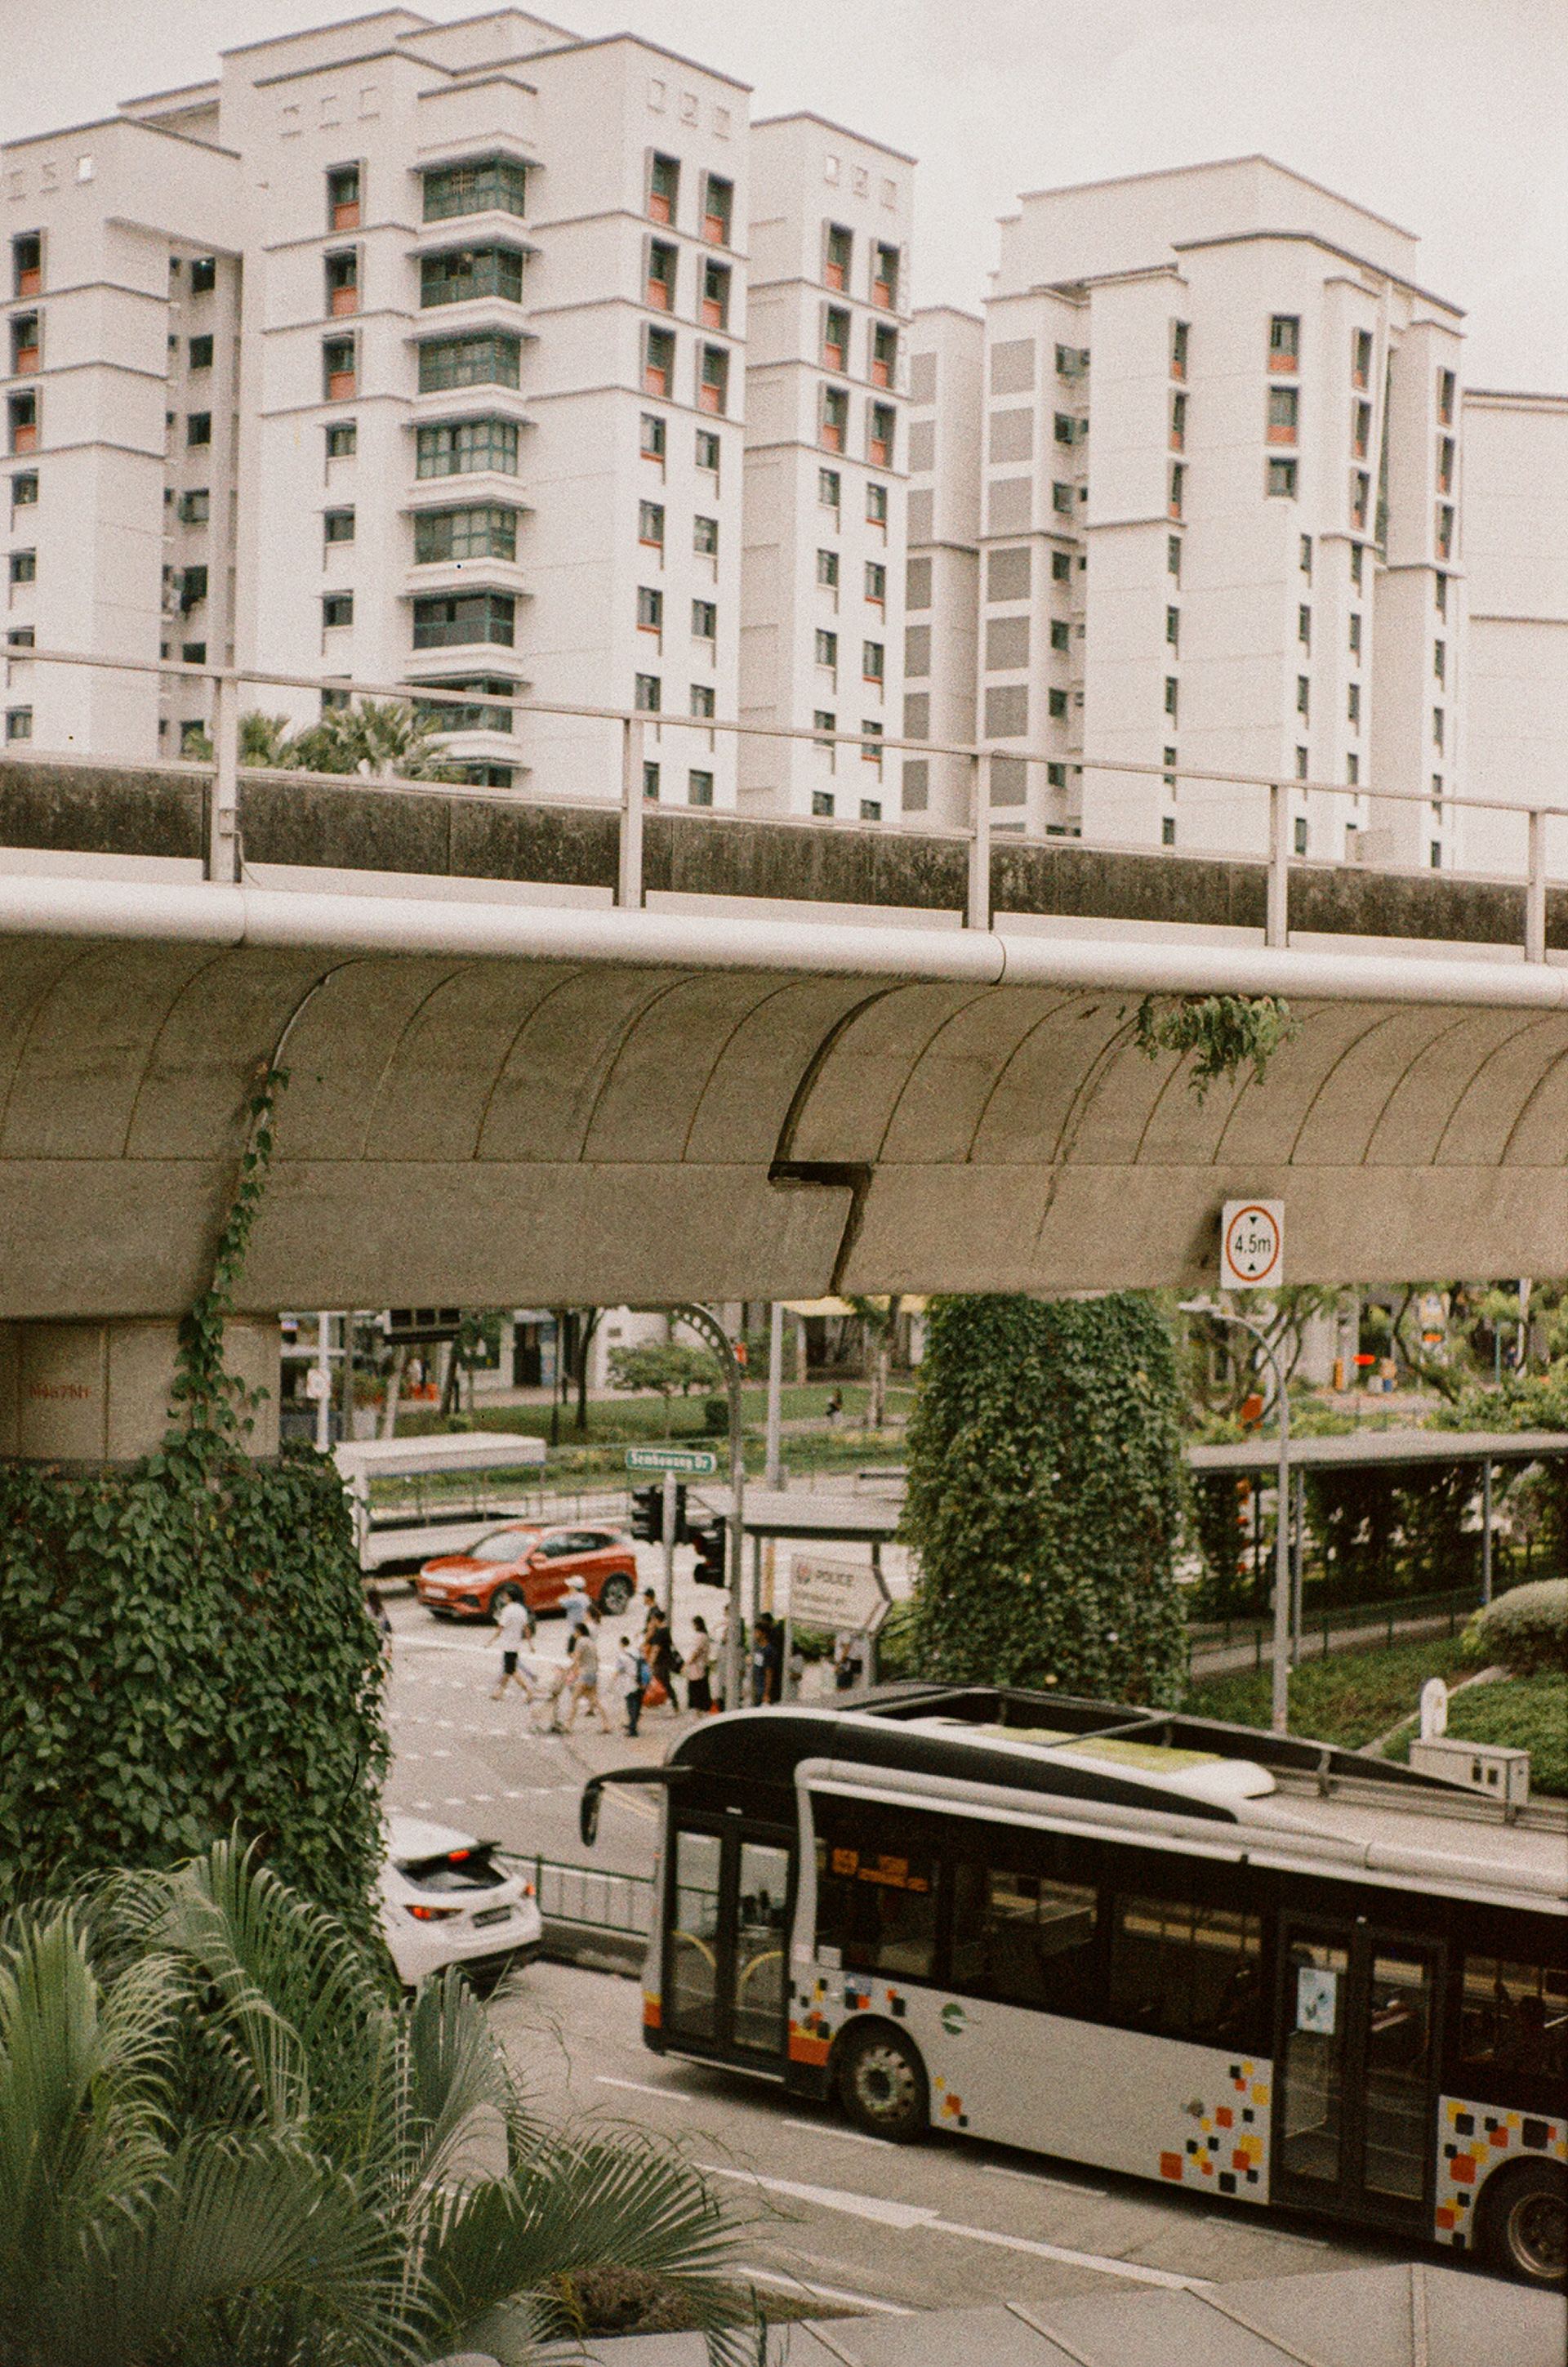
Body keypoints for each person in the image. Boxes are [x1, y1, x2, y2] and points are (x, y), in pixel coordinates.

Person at [562, 1607, 612, 1733]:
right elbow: (596, 1659)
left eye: (575, 1632)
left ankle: (568, 1726)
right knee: (595, 1701)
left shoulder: (580, 1642)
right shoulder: (590, 1641)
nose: (574, 1634)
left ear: (579, 1632)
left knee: (574, 1699)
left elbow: (576, 1659)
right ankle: (606, 1725)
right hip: (593, 1674)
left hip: (585, 1675)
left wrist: (569, 1671)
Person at [491, 1595, 537, 1702]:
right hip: (516, 1644)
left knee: (512, 1671)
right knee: (508, 1671)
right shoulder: (521, 1610)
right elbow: (526, 1628)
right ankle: (500, 1693)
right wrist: (530, 1644)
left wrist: (491, 1640)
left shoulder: (507, 1610)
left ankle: (528, 1692)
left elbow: (501, 1627)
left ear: (510, 1598)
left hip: (508, 1644)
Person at [615, 1634, 647, 1736]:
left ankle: (632, 1727)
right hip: (641, 1681)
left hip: (629, 1683)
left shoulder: (622, 1655)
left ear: (621, 1644)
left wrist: (613, 1681)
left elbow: (619, 1669)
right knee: (638, 1704)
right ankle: (634, 1724)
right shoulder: (638, 1652)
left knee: (630, 1705)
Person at [684, 1615, 713, 1714]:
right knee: (702, 1686)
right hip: (703, 1664)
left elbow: (696, 1652)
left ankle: (698, 1706)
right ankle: (702, 1706)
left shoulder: (700, 1636)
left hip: (697, 1666)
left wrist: (687, 1663)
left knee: (696, 1687)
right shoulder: (705, 1636)